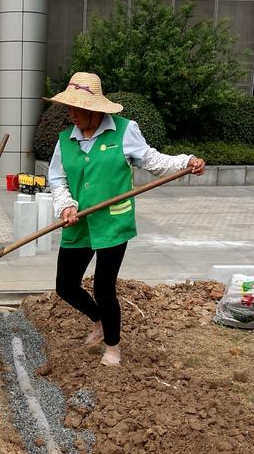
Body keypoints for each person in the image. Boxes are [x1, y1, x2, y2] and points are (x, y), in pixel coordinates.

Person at [46, 72, 205, 367]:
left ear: (94, 108)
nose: (72, 115)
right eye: (69, 109)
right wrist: (65, 205)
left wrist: (186, 161)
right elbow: (57, 179)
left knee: (105, 288)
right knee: (65, 286)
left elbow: (152, 161)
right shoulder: (64, 140)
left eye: (77, 109)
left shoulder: (124, 130)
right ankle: (98, 320)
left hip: (113, 224)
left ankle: (113, 348)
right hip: (79, 222)